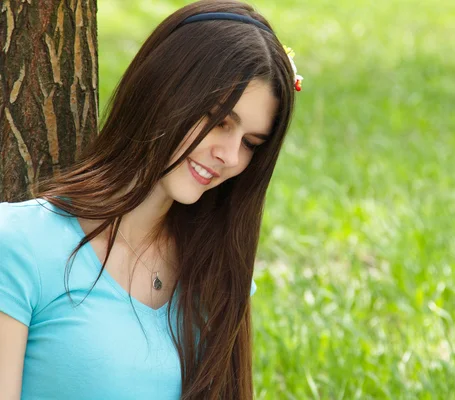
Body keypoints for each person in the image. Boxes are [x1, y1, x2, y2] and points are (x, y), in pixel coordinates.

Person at [0, 1, 303, 399]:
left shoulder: (219, 269)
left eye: (250, 143)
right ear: (164, 94)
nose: (229, 156)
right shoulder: (21, 244)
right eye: (218, 121)